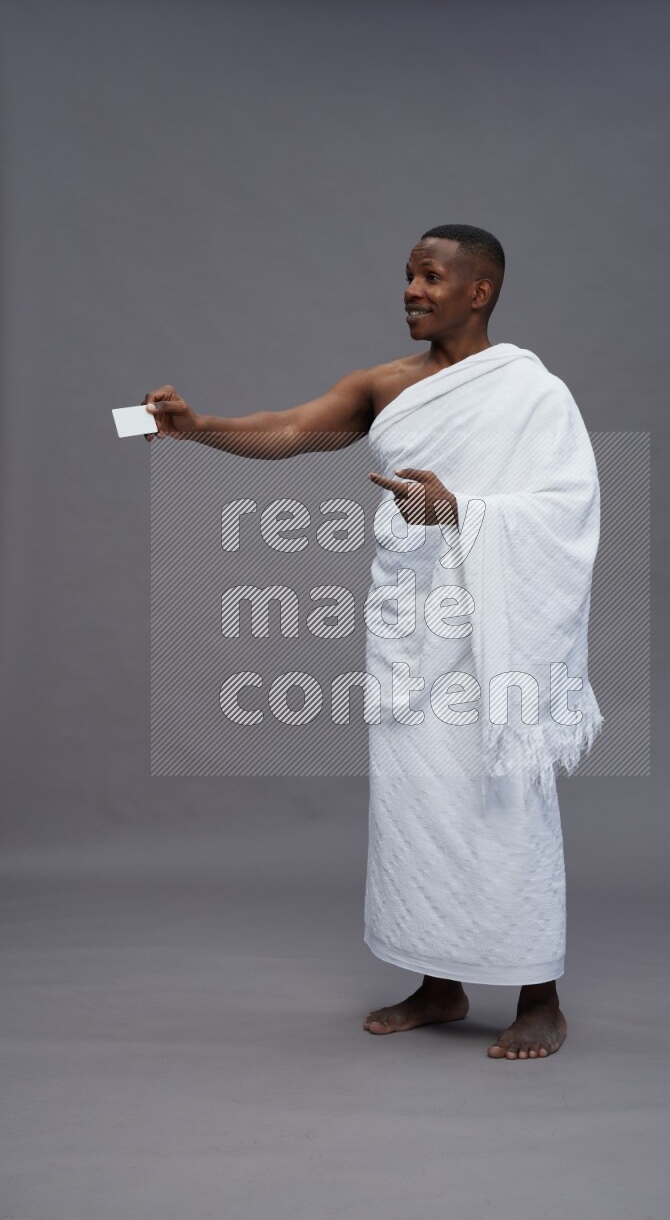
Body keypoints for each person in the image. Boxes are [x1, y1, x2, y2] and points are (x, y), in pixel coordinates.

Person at [143, 224, 602, 1060]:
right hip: (409, 629)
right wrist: (198, 425)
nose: (411, 291)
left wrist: (459, 510)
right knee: (417, 807)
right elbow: (290, 429)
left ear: (479, 291)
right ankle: (440, 982)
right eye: (408, 276)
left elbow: (568, 508)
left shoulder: (534, 393)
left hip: (493, 636)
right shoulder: (385, 385)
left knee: (507, 800)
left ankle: (540, 996)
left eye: (430, 277)